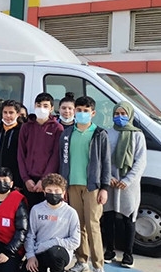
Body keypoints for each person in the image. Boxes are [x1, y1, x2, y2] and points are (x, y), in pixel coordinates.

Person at [59, 96, 111, 272]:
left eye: (85, 111)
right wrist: (63, 186)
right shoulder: (67, 134)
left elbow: (106, 162)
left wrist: (104, 188)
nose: (81, 113)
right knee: (78, 225)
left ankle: (98, 265)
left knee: (92, 225)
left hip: (92, 187)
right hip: (72, 185)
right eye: (79, 110)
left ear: (93, 113)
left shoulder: (99, 134)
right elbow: (62, 160)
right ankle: (82, 261)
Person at [102, 101, 147, 268]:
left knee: (129, 218)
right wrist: (108, 177)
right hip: (111, 182)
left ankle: (128, 254)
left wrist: (127, 180)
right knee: (109, 217)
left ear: (130, 115)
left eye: (123, 114)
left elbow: (140, 161)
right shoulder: (107, 133)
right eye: (117, 114)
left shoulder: (137, 135)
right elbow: (102, 158)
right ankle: (110, 251)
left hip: (129, 186)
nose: (119, 117)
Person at [25, 173, 81, 272]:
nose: (53, 194)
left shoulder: (71, 212)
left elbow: (75, 241)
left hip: (60, 252)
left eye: (57, 191)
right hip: (40, 250)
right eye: (49, 191)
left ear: (63, 192)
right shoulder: (36, 209)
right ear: (44, 192)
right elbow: (30, 235)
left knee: (54, 253)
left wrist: (52, 243)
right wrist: (30, 256)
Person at [18, 93, 63, 208]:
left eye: (45, 106)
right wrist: (26, 179)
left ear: (51, 108)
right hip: (29, 180)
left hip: (47, 181)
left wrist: (44, 180)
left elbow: (55, 157)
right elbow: (21, 154)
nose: (41, 108)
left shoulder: (57, 128)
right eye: (39, 105)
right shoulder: (26, 127)